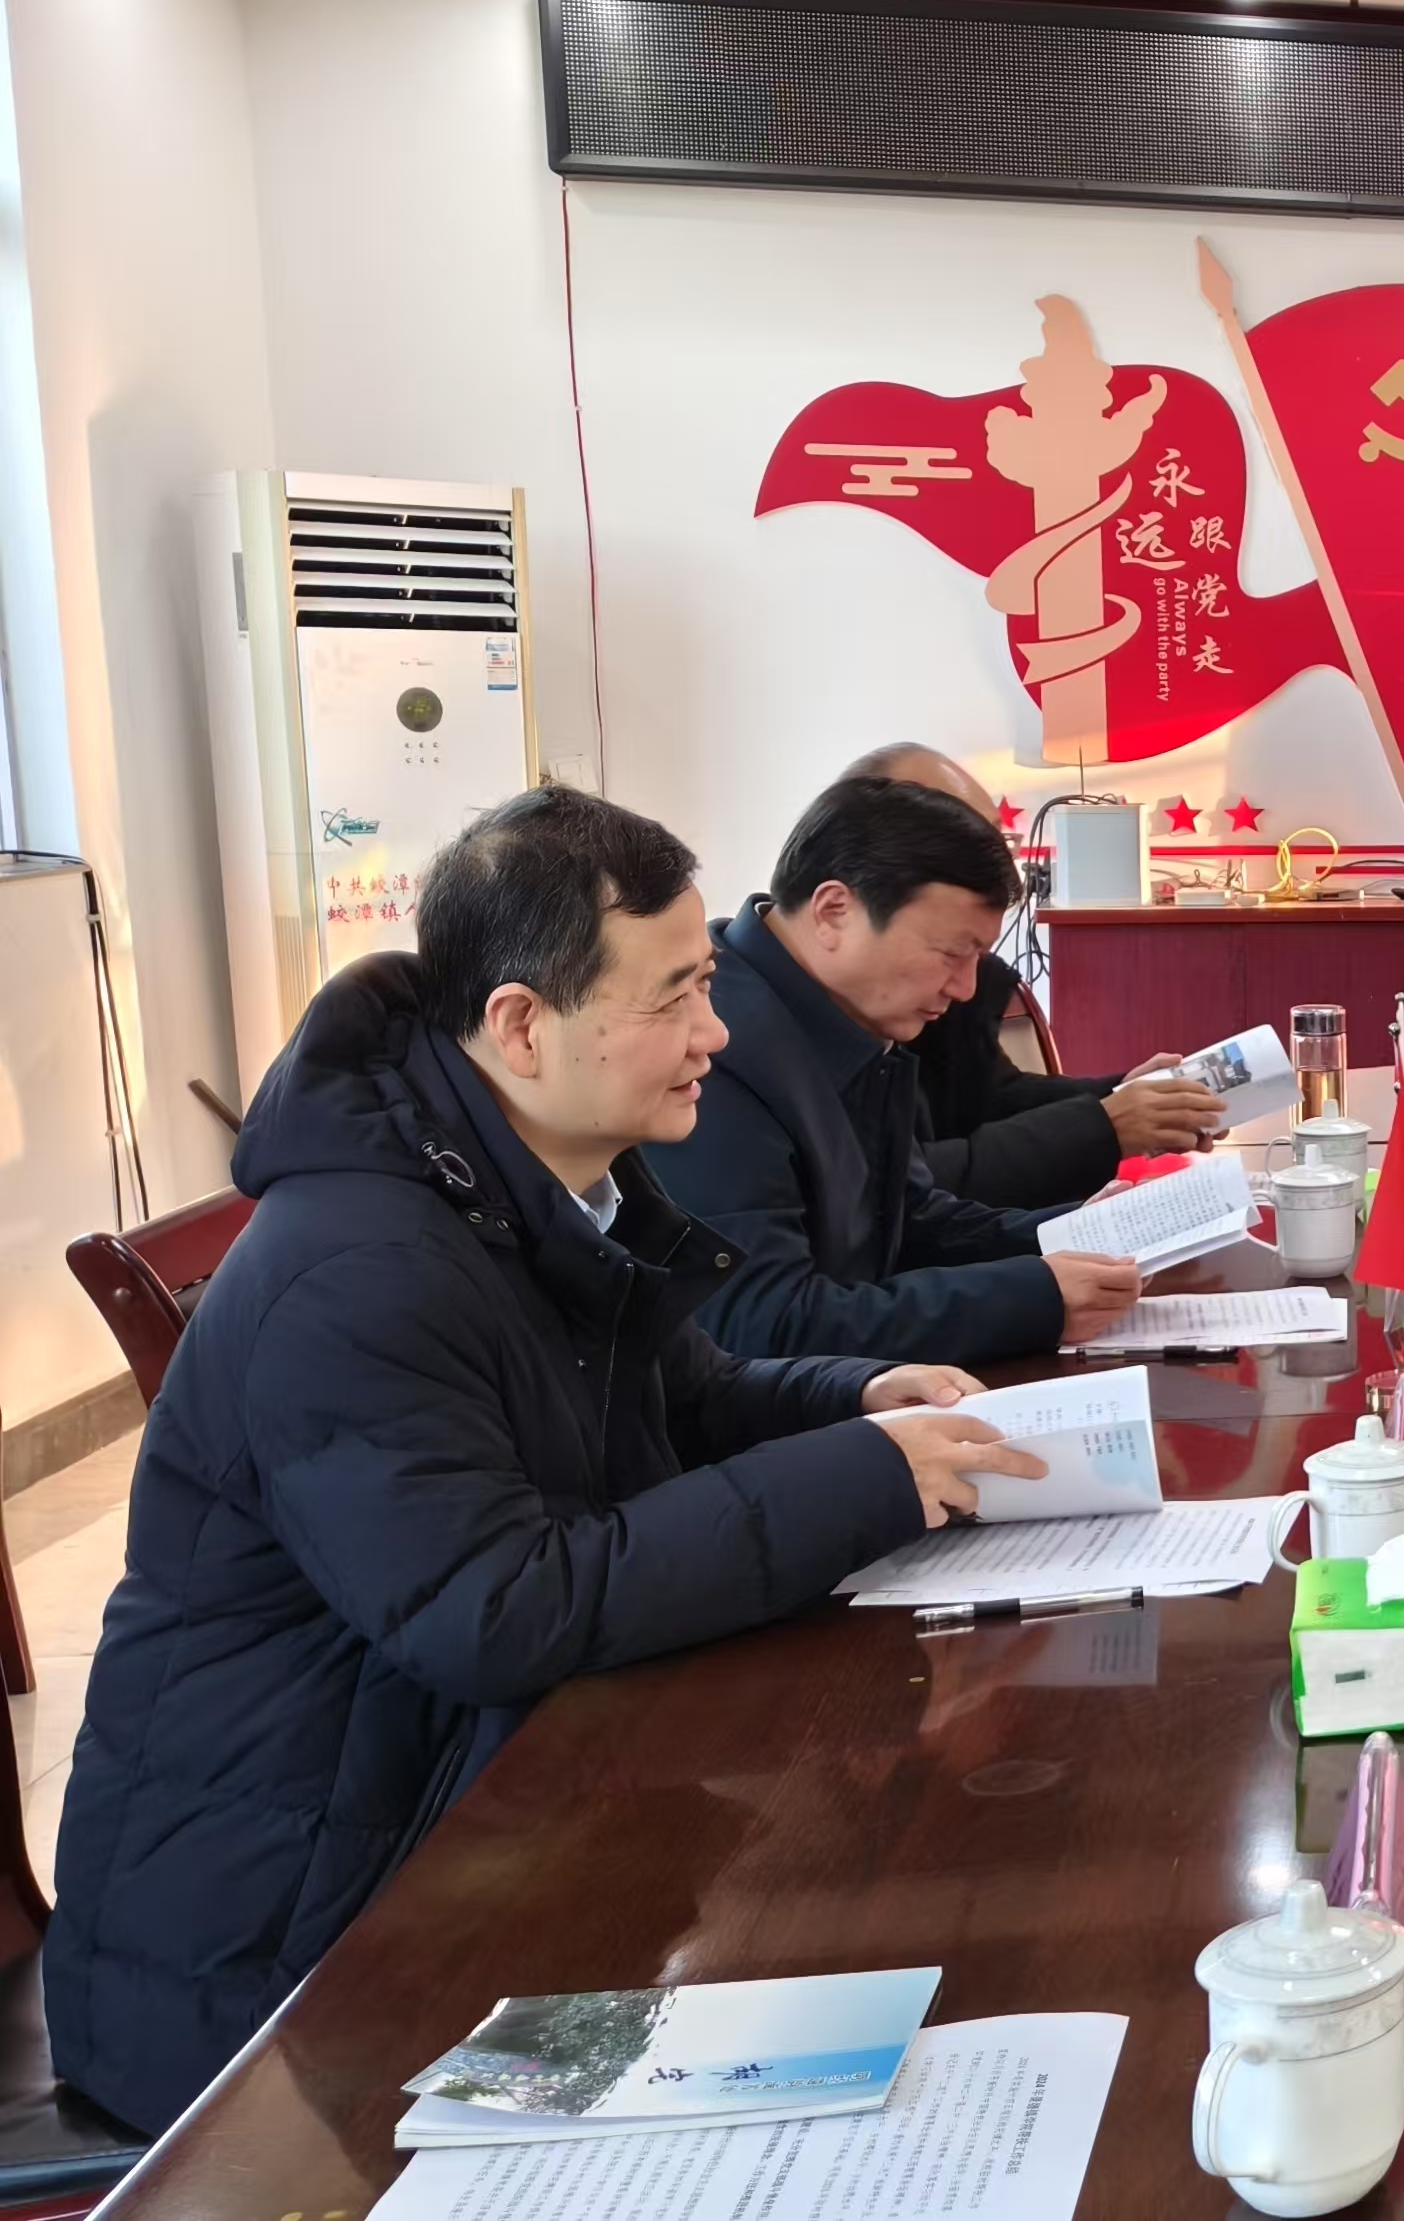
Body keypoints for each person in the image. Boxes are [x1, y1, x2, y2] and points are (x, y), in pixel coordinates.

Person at [45, 788, 1038, 2134]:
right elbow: (496, 1607)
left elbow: (694, 1396)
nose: (714, 1032)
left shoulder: (527, 1180)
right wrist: (868, 1476)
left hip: (460, 1829)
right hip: (281, 1975)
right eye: (676, 994)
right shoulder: (358, 1269)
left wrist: (860, 1394)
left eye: (706, 984)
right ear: (521, 1025)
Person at [654, 775, 1142, 1362]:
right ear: (834, 911)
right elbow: (765, 1323)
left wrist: (1071, 1233)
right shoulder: (716, 1050)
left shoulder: (844, 1018)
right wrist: (1034, 1297)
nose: (965, 988)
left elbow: (908, 1221)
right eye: (951, 954)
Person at [849, 745, 1222, 1211]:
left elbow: (988, 1096)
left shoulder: (963, 982)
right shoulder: (802, 1033)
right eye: (959, 840)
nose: (964, 986)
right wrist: (1101, 1127)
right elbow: (906, 1193)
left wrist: (1124, 1096)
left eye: (992, 839)